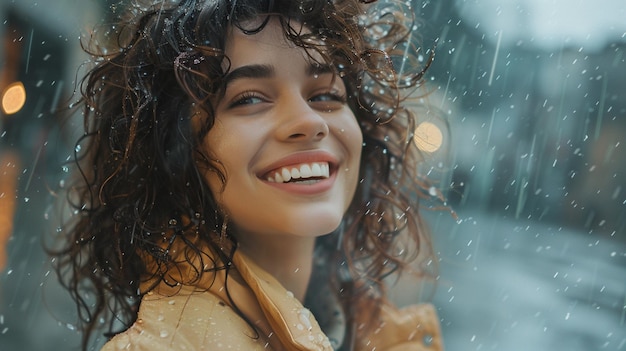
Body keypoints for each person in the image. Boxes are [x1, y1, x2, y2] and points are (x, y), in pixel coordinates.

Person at [53, 0, 444, 350]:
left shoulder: (370, 332)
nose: (309, 121)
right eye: (250, 99)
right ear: (178, 153)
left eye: (325, 95)